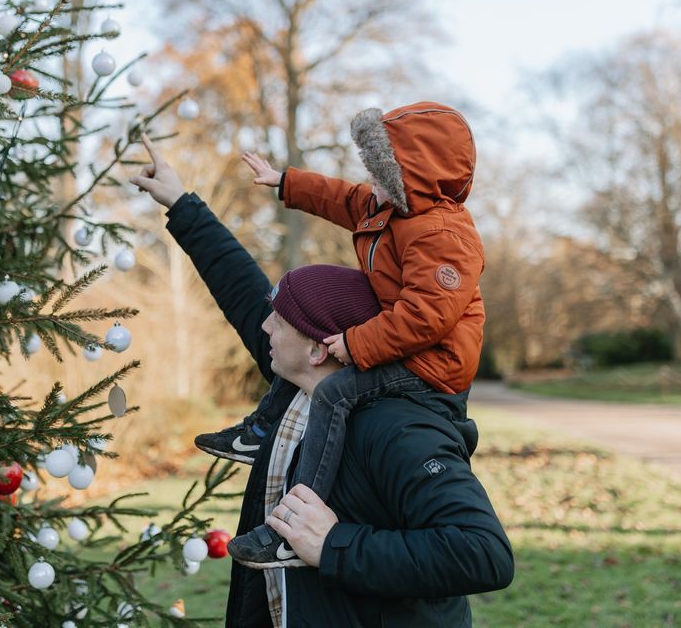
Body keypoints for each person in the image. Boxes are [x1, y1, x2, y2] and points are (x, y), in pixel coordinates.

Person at [130, 136, 513, 628]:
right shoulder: (294, 390)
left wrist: (335, 545)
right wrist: (182, 205)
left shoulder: (396, 428)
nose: (264, 326)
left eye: (278, 320)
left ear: (318, 347)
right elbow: (241, 286)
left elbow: (483, 553)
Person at [193, 102, 486, 567]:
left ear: (418, 173)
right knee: (297, 348)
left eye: (384, 170)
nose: (373, 182)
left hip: (432, 363)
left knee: (331, 392)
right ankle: (261, 429)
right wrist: (286, 182)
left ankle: (292, 527)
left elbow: (429, 316)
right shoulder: (388, 208)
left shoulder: (442, 234)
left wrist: (357, 344)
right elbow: (342, 198)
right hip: (400, 341)